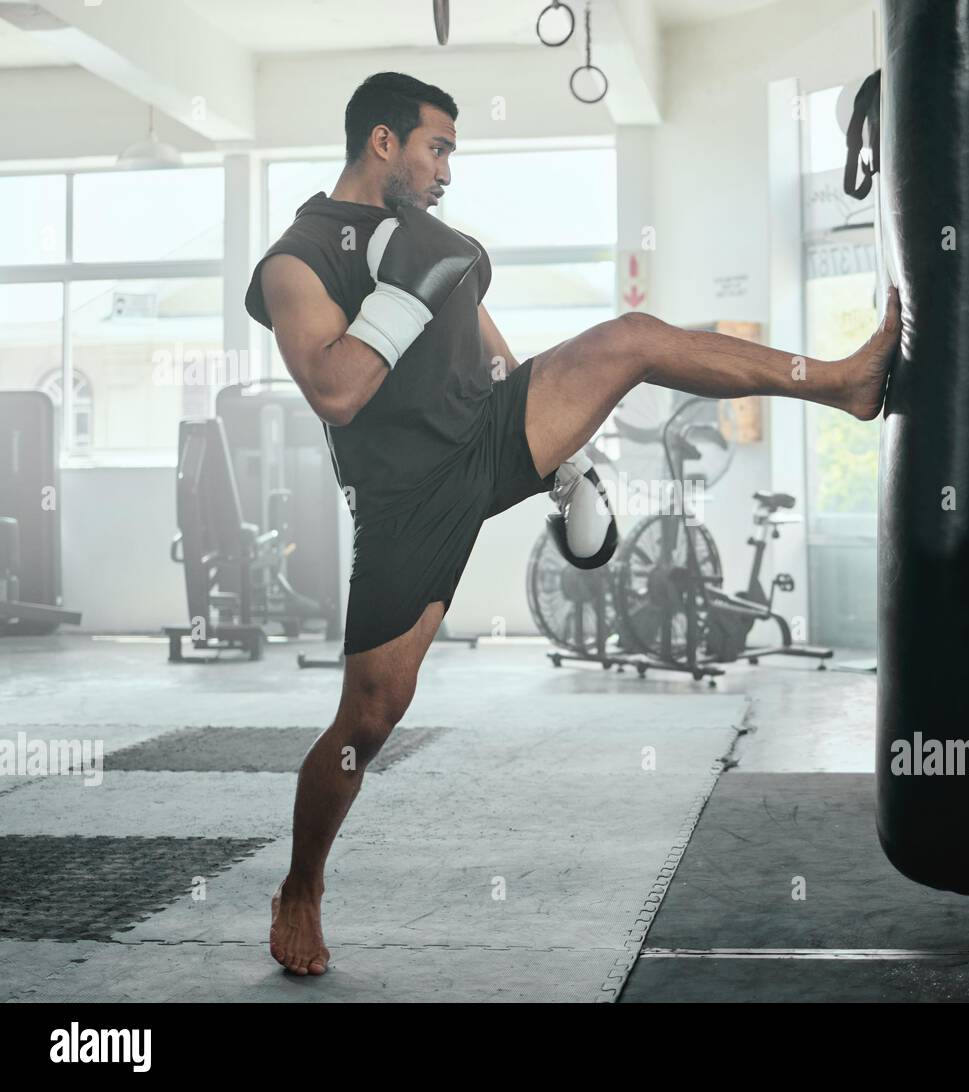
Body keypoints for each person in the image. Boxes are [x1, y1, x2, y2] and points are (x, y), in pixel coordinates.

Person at [246, 71, 901, 976]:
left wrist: (564, 453)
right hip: (407, 497)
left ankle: (839, 382)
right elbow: (336, 392)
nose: (446, 170)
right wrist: (404, 288)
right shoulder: (297, 258)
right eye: (437, 147)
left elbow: (482, 339)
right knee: (369, 717)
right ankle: (303, 885)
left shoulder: (434, 241)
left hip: (488, 430)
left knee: (630, 337)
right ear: (384, 143)